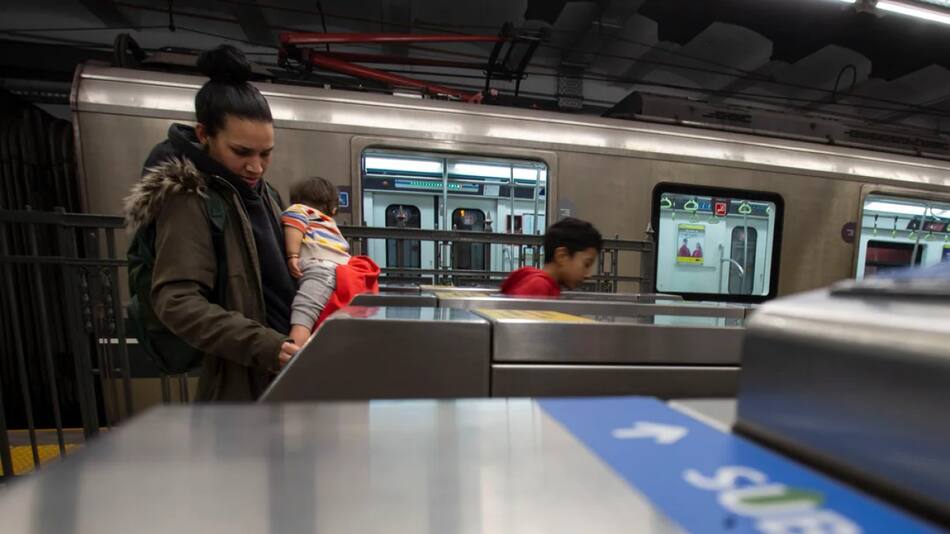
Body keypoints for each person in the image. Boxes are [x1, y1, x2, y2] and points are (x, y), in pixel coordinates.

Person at [124, 45, 298, 401]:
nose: (256, 167)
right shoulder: (190, 198)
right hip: (242, 379)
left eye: (266, 153)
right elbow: (176, 300)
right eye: (242, 152)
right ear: (204, 134)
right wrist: (265, 345)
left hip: (282, 368)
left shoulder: (265, 194)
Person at [282, 177, 351, 347]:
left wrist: (292, 255)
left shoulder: (299, 209)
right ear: (333, 208)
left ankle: (293, 356)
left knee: (304, 314)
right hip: (338, 272)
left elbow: (294, 226)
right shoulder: (327, 221)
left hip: (321, 269)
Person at [500, 217, 603, 297]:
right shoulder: (539, 287)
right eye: (586, 264)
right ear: (561, 256)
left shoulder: (542, 284)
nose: (588, 275)